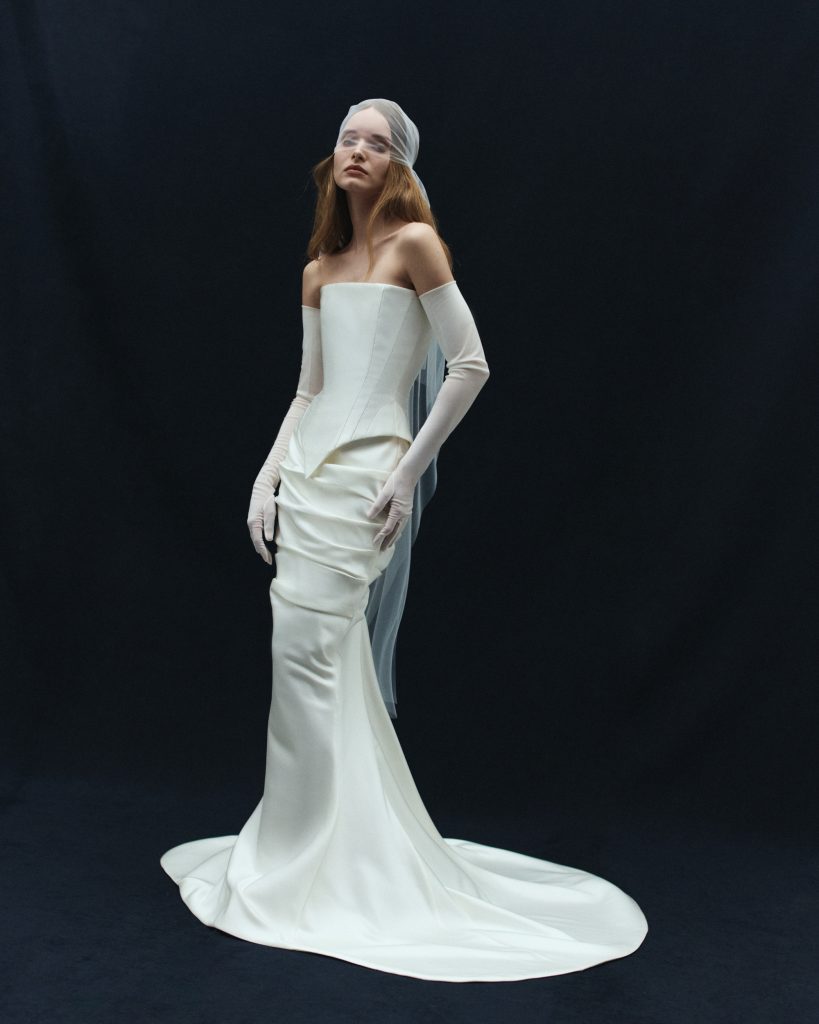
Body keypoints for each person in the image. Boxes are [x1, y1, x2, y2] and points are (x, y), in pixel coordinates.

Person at [160, 98, 648, 982]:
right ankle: (307, 844)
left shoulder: (414, 244)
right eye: (348, 137)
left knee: (314, 654)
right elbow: (309, 388)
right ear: (333, 156)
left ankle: (317, 860)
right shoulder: (317, 268)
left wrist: (406, 472)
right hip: (310, 473)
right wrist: (267, 476)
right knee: (302, 657)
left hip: (368, 480)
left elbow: (470, 363)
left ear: (398, 164)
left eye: (377, 143)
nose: (358, 150)